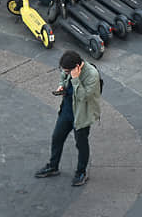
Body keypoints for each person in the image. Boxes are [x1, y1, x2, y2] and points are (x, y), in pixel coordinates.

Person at [34, 50, 101, 186]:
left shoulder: (92, 75)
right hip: (67, 110)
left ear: (76, 67)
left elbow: (84, 97)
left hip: (81, 115)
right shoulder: (67, 70)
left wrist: (76, 79)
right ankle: (53, 166)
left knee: (81, 144)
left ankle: (81, 172)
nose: (64, 72)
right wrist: (62, 85)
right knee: (57, 137)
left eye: (67, 70)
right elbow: (63, 77)